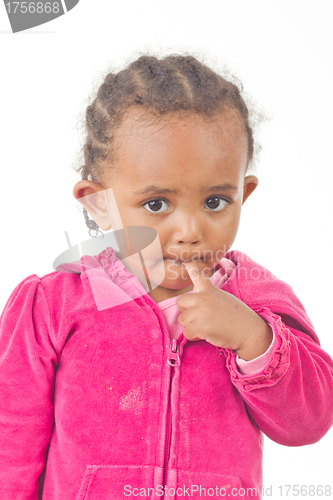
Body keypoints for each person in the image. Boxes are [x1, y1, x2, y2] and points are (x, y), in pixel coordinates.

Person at [0, 54, 333, 500]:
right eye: (156, 204)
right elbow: (11, 444)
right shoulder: (53, 305)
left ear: (244, 194)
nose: (191, 231)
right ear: (99, 203)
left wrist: (253, 340)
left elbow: (308, 424)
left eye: (216, 201)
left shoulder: (261, 303)